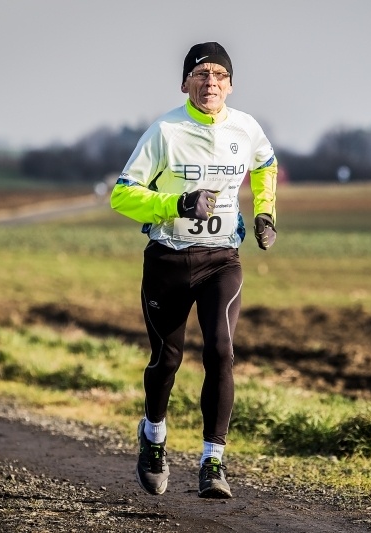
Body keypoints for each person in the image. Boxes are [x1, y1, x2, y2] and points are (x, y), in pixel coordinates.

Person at [110, 41, 278, 499]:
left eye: (219, 75)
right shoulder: (165, 131)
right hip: (167, 258)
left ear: (231, 84)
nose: (210, 83)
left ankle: (213, 463)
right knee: (167, 360)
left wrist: (265, 213)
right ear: (185, 83)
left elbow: (266, 162)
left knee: (221, 351)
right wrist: (176, 203)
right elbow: (122, 195)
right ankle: (154, 438)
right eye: (201, 74)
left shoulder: (245, 128)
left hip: (221, 258)